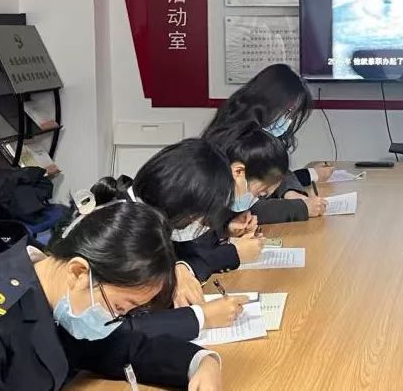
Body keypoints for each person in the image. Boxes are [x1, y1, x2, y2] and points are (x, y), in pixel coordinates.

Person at [0, 189, 222, 389]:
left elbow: (126, 347)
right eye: (118, 307)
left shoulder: (60, 291)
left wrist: (201, 362)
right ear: (79, 272)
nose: (114, 320)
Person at [92, 140, 252, 340]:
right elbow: (108, 331)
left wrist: (180, 267)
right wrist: (201, 318)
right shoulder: (121, 231)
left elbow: (188, 255)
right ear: (182, 201)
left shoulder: (147, 218)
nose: (198, 223)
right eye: (198, 216)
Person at [204, 64, 333, 223]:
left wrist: (291, 192)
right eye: (287, 112)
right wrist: (300, 208)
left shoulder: (261, 133)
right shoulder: (233, 139)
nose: (289, 121)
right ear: (269, 102)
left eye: (293, 115)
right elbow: (240, 207)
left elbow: (274, 172)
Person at [180, 125, 291, 282]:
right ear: (238, 172)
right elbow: (183, 260)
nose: (254, 200)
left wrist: (226, 231)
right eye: (259, 193)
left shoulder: (217, 201)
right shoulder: (193, 196)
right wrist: (234, 253)